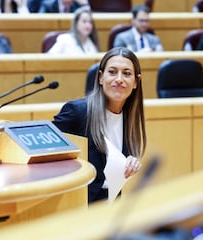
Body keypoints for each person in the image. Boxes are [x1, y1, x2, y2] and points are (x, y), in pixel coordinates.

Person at [53, 47, 146, 203]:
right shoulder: (78, 112)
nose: (119, 79)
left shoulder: (129, 116)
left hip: (111, 201)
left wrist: (130, 162)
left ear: (136, 82)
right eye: (112, 72)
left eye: (127, 73)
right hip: (78, 205)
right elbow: (46, 150)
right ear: (101, 78)